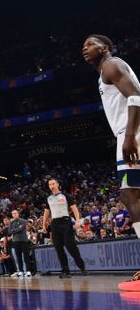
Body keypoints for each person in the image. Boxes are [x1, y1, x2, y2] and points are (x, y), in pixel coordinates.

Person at [82, 35, 140, 290]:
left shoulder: (110, 65)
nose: (84, 48)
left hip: (133, 133)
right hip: (130, 132)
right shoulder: (108, 70)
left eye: (89, 44)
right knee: (131, 195)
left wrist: (129, 136)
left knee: (130, 196)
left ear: (104, 48)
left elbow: (136, 97)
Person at [41, 177, 86, 279]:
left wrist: (78, 220)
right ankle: (65, 271)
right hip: (55, 223)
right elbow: (46, 212)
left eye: (53, 184)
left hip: (65, 222)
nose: (51, 186)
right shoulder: (49, 198)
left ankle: (81, 265)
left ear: (57, 184)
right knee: (58, 247)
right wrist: (44, 225)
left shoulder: (65, 195)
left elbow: (74, 208)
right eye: (49, 185)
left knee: (70, 246)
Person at [8, 210, 31, 278]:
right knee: (18, 257)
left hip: (23, 240)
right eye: (13, 213)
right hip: (16, 241)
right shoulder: (11, 222)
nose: (14, 214)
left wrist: (14, 230)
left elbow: (21, 229)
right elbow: (9, 231)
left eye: (15, 213)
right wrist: (17, 229)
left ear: (18, 214)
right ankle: (21, 271)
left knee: (26, 256)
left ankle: (28, 271)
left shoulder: (23, 220)